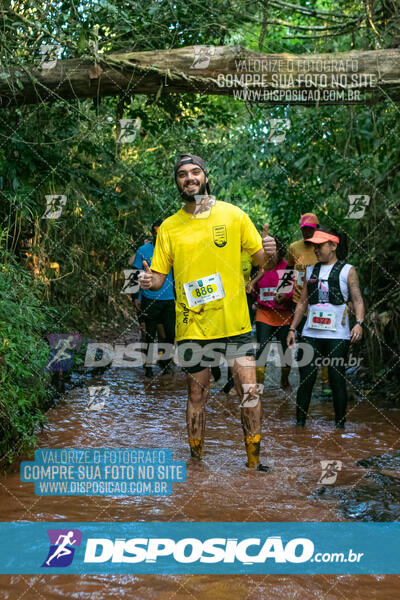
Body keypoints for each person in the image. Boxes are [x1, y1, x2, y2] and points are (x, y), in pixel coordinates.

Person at [139, 153, 277, 470]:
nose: (190, 178)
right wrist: (148, 280)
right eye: (182, 174)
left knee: (250, 391)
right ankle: (197, 462)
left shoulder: (234, 215)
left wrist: (269, 252)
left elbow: (263, 263)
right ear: (177, 182)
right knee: (197, 395)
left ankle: (254, 465)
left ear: (205, 177)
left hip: (235, 323)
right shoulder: (170, 227)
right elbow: (159, 277)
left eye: (195, 172)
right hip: (192, 326)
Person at [287, 225, 365, 429]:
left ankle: (340, 426)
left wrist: (358, 323)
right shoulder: (310, 270)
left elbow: (357, 299)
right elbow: (303, 303)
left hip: (337, 335)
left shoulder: (348, 271)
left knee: (336, 377)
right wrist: (293, 328)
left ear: (332, 245)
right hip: (310, 332)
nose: (315, 249)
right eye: (313, 246)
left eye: (319, 246)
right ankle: (300, 424)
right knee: (306, 378)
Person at [133, 221, 175, 377]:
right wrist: (135, 297)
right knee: (149, 334)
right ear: (152, 234)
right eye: (155, 233)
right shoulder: (143, 251)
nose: (158, 236)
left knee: (170, 334)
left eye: (161, 233)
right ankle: (148, 367)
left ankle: (164, 361)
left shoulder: (172, 249)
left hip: (169, 298)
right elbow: (135, 275)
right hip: (149, 298)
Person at [252, 236, 294, 389]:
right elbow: (255, 289)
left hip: (284, 315)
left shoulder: (286, 268)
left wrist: (283, 297)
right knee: (262, 349)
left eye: (273, 251)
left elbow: (290, 291)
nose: (270, 254)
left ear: (280, 251)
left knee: (286, 352)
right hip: (264, 313)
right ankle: (259, 384)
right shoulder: (262, 268)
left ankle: (284, 379)